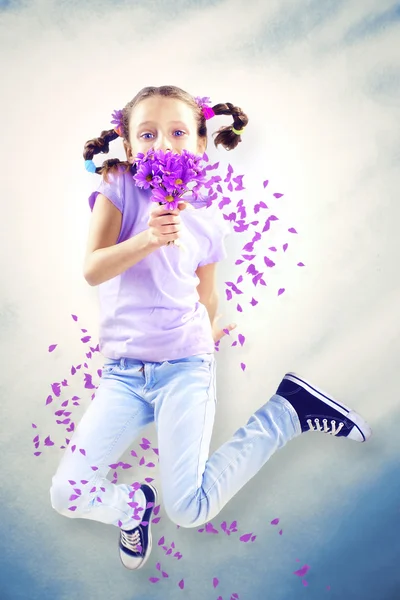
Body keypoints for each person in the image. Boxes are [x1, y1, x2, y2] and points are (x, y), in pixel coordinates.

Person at [50, 85, 372, 571]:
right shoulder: (117, 185)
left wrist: (211, 325)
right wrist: (147, 239)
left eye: (178, 132)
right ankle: (134, 507)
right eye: (149, 133)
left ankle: (287, 412)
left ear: (200, 142)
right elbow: (93, 269)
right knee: (65, 494)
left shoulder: (209, 219)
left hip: (185, 368)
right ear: (129, 143)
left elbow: (206, 292)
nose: (163, 142)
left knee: (190, 509)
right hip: (123, 376)